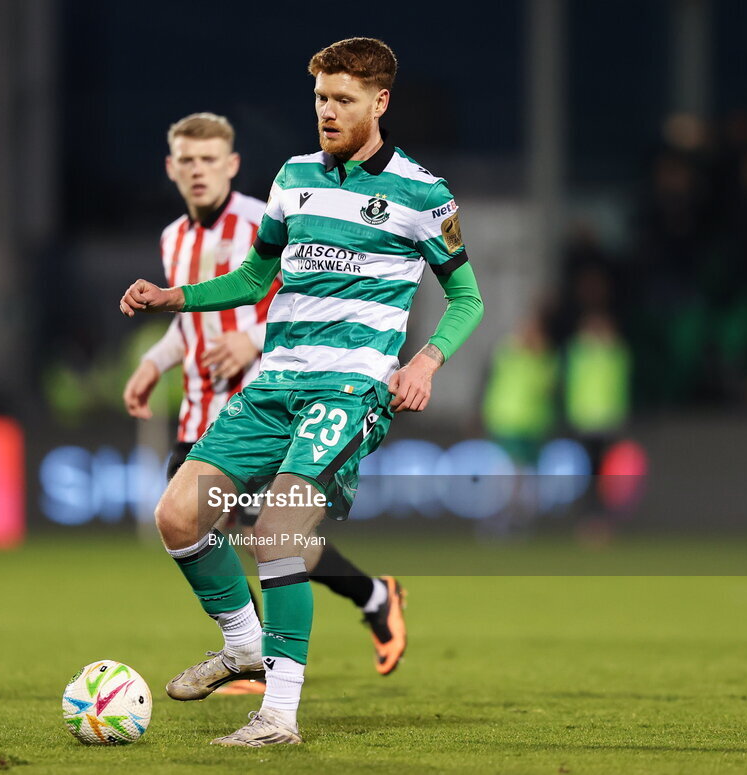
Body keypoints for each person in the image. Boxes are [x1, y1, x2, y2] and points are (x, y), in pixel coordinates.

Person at [120, 38, 483, 746]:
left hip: (349, 392)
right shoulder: (292, 179)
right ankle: (244, 643)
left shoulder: (423, 192)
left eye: (343, 99)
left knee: (277, 532)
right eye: (320, 97)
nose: (327, 110)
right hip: (273, 385)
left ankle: (278, 713)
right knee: (176, 515)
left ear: (380, 102)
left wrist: (426, 362)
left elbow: (466, 298)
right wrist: (177, 297)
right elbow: (256, 280)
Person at [123, 113, 408, 695]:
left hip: (274, 394)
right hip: (202, 408)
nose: (198, 171)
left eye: (210, 160)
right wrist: (155, 363)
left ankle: (260, 659)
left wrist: (251, 340)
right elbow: (191, 322)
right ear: (171, 168)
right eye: (188, 161)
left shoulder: (266, 212)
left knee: (263, 532)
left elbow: (294, 293)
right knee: (221, 527)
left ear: (231, 166)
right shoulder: (172, 237)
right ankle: (361, 599)